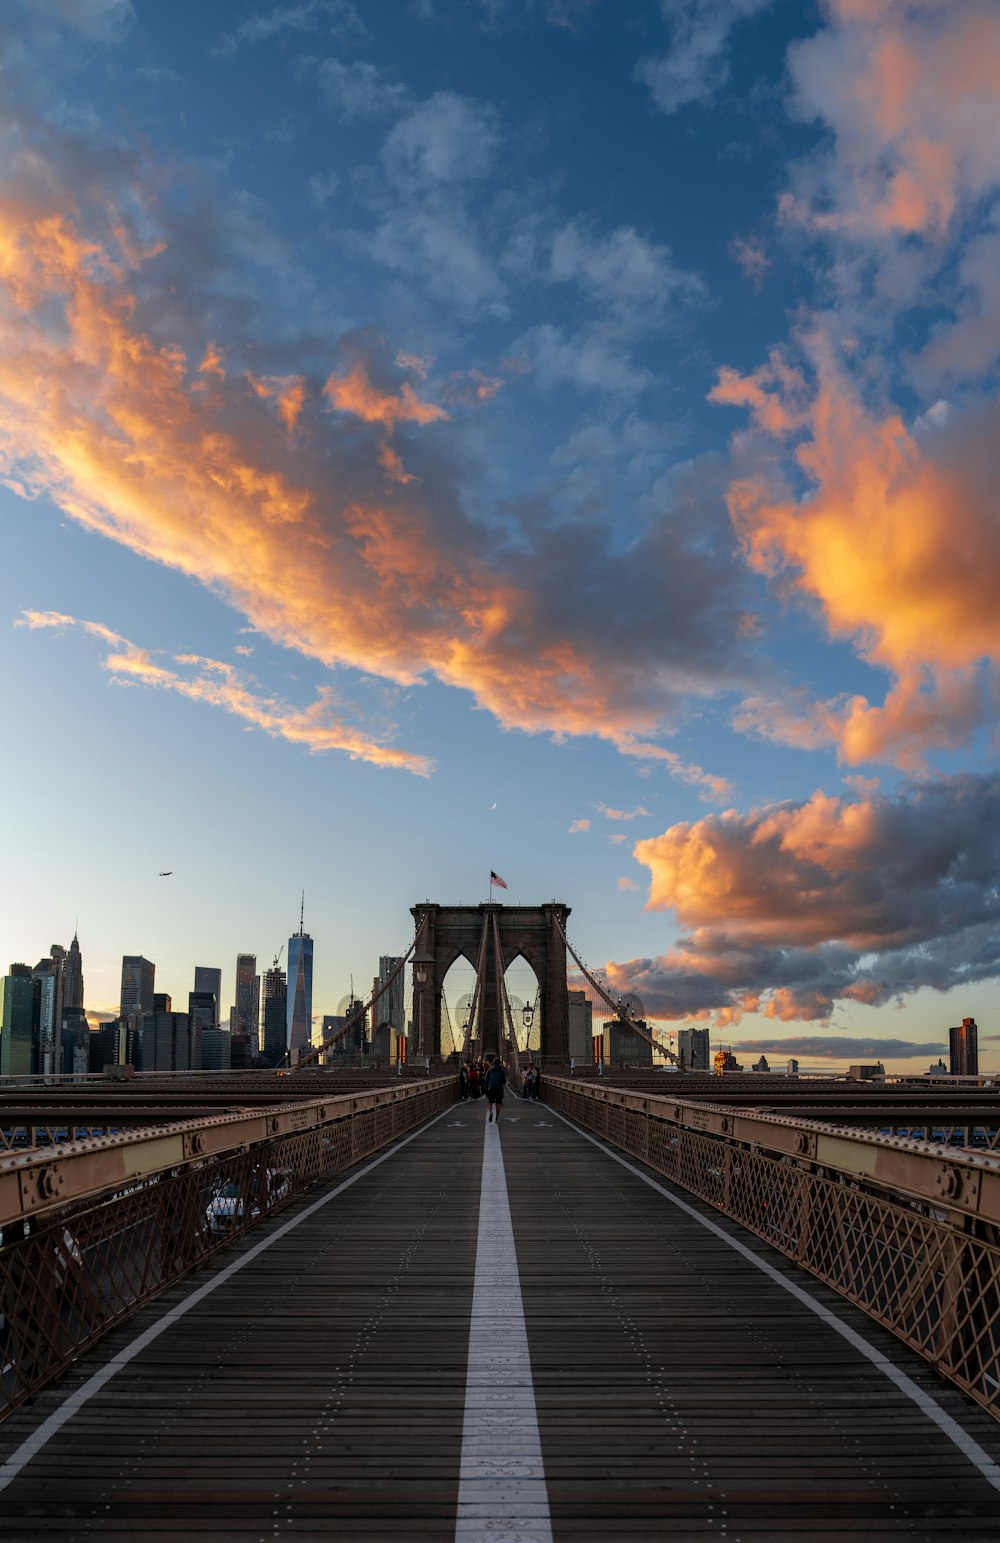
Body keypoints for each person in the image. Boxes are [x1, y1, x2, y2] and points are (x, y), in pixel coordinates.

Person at [484, 1056, 507, 1123]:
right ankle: (496, 1119)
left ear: (493, 1063)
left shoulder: (490, 1070)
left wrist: (488, 1086)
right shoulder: (501, 1071)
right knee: (498, 1103)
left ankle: (491, 1112)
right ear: (499, 1063)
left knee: (490, 1102)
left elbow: (486, 1080)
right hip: (499, 1089)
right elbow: (504, 1081)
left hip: (491, 1088)